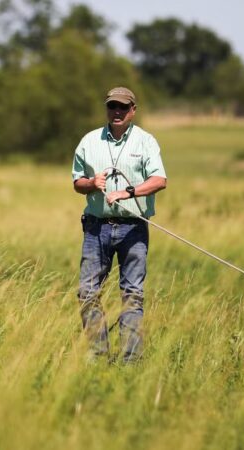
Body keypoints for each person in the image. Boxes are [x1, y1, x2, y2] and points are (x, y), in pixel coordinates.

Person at [71, 86, 167, 363]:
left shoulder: (146, 141)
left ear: (133, 111)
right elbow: (77, 182)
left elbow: (159, 180)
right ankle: (99, 355)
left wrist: (129, 192)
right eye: (112, 106)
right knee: (87, 293)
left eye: (123, 107)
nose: (117, 112)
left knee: (132, 294)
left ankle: (130, 360)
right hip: (95, 227)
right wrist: (91, 183)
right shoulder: (89, 141)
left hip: (133, 227)